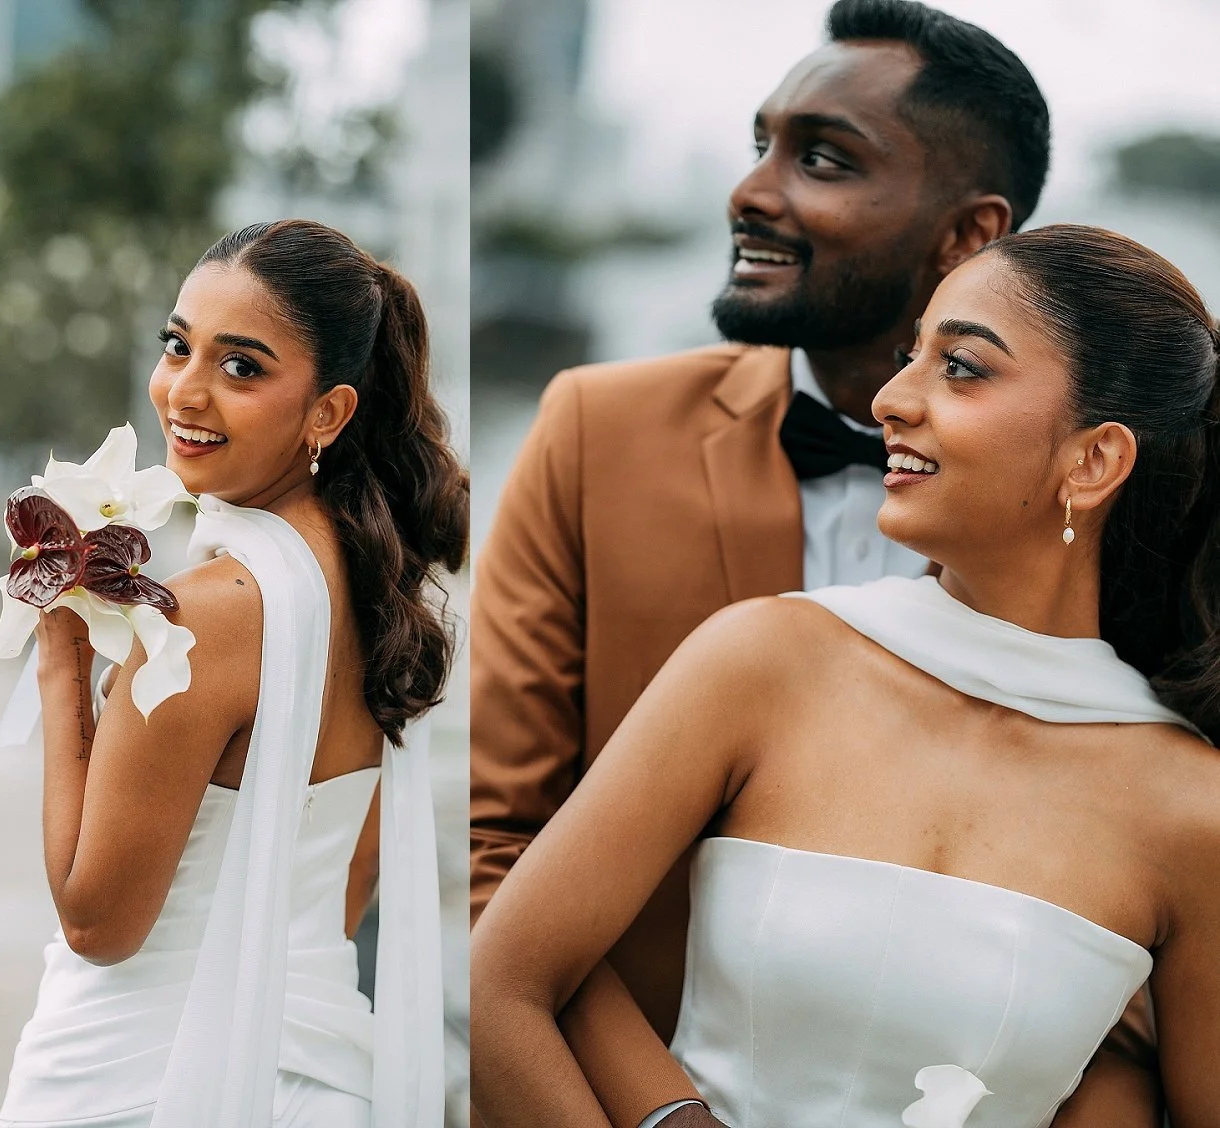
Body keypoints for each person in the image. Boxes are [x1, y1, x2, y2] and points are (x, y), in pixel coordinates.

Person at [469, 1, 1169, 1122]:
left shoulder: (1124, 562)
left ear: (965, 235)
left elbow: (1122, 985)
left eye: (825, 160)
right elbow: (492, 843)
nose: (752, 191)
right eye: (761, 146)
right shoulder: (596, 433)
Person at [0, 219, 468, 1128]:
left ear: (327, 412)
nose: (185, 391)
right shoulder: (373, 590)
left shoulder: (205, 612)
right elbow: (348, 884)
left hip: (146, 1076)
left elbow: (98, 924)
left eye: (241, 367)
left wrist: (62, 661)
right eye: (178, 346)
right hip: (322, 1078)